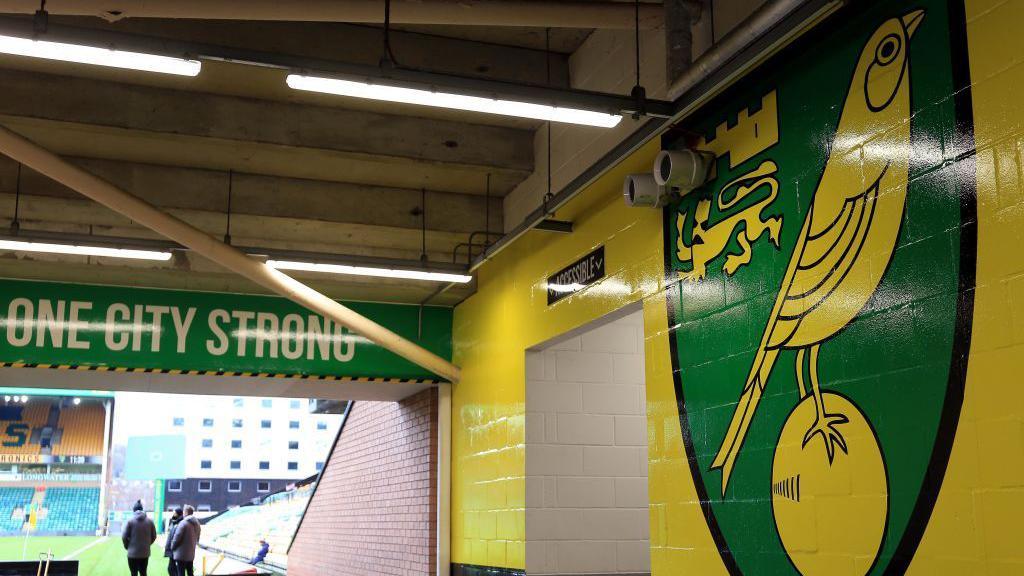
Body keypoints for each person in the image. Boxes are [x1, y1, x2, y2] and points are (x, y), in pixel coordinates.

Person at [122, 500, 157, 576]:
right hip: (145, 553)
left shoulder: (130, 521)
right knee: (143, 573)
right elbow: (154, 536)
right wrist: (147, 544)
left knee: (133, 573)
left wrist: (127, 546)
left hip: (132, 553)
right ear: (142, 509)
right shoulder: (150, 521)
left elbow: (124, 537)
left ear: (133, 510)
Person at [170, 505, 201, 576]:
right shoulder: (197, 524)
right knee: (190, 572)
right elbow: (198, 538)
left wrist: (172, 547)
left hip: (181, 554)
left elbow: (177, 538)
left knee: (181, 573)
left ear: (186, 512)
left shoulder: (183, 523)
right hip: (191, 553)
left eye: (184, 511)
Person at [163, 508, 183, 576]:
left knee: (172, 569)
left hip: (176, 549)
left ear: (178, 514)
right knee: (172, 569)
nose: (173, 514)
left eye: (175, 513)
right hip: (172, 549)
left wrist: (173, 546)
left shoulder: (180, 523)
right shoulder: (174, 522)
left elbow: (178, 537)